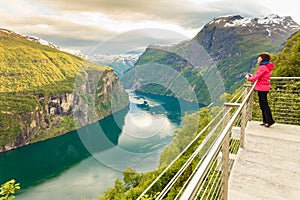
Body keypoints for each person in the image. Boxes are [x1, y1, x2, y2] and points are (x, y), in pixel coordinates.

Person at [245, 52, 275, 127]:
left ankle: (270, 121)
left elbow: (255, 78)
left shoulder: (262, 67)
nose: (258, 59)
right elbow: (260, 76)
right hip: (264, 87)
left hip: (262, 88)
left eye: (259, 57)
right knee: (263, 105)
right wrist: (252, 76)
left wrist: (248, 78)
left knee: (264, 105)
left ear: (262, 59)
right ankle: (265, 121)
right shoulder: (265, 66)